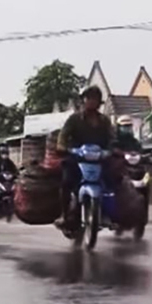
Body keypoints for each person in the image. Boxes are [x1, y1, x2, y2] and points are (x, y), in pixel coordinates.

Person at [55, 85, 118, 233]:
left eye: (95, 98)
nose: (91, 101)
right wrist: (63, 147)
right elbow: (63, 136)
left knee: (114, 179)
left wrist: (111, 149)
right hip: (77, 158)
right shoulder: (74, 119)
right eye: (88, 98)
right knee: (66, 181)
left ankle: (112, 214)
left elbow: (112, 138)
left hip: (100, 159)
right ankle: (64, 215)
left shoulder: (104, 121)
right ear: (83, 100)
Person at [0, 144, 19, 213]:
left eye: (6, 154)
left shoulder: (10, 162)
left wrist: (15, 174)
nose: (4, 156)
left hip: (8, 182)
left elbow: (15, 170)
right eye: (3, 154)